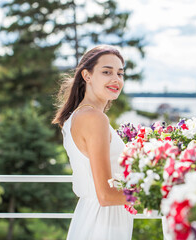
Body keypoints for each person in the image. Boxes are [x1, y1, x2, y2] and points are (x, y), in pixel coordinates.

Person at [52, 45, 133, 240]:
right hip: (103, 224)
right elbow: (106, 194)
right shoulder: (94, 118)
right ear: (86, 75)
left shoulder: (79, 115)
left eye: (120, 73)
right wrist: (158, 193)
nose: (116, 79)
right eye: (107, 72)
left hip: (95, 217)